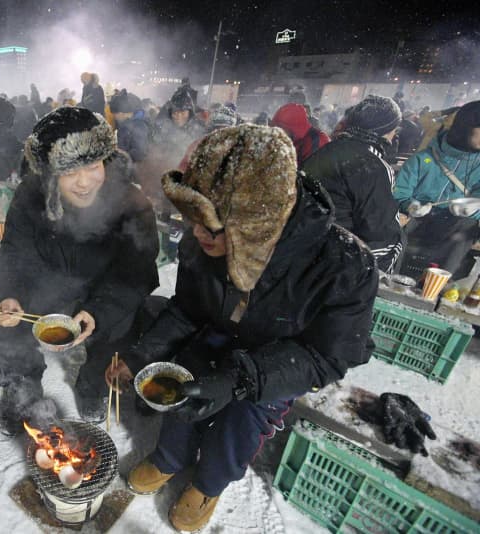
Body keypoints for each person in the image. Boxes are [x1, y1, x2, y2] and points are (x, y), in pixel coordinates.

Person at [106, 125, 378, 532]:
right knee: (184, 380)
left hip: (278, 356)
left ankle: (208, 484)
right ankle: (169, 458)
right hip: (218, 336)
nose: (198, 235)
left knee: (244, 418)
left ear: (257, 221)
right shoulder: (202, 243)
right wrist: (141, 355)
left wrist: (238, 379)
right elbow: (187, 309)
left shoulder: (344, 265)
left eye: (212, 226)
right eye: (193, 220)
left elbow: (328, 356)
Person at [0, 107, 159, 435]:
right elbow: (13, 251)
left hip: (103, 294)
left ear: (105, 160)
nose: (83, 182)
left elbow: (137, 271)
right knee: (4, 324)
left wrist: (98, 312)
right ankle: (21, 384)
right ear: (50, 173)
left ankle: (92, 386)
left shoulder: (132, 203)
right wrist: (8, 294)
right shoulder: (30, 194)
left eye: (93, 166)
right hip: (48, 285)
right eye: (69, 172)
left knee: (123, 327)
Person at [302, 95, 404, 272]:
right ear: (385, 131)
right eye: (394, 130)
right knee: (395, 240)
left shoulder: (325, 150)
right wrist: (397, 222)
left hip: (303, 243)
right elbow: (377, 229)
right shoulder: (375, 166)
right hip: (335, 258)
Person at [393, 101, 480, 277]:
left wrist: (474, 208)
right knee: (395, 230)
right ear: (464, 128)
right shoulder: (424, 159)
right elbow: (399, 192)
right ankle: (392, 278)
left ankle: (437, 288)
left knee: (466, 227)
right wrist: (411, 206)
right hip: (418, 224)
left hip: (454, 231)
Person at [109, 89, 149, 163]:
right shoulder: (125, 122)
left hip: (131, 167)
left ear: (122, 113)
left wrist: (122, 155)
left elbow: (140, 152)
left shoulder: (140, 126)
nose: (114, 117)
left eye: (115, 114)